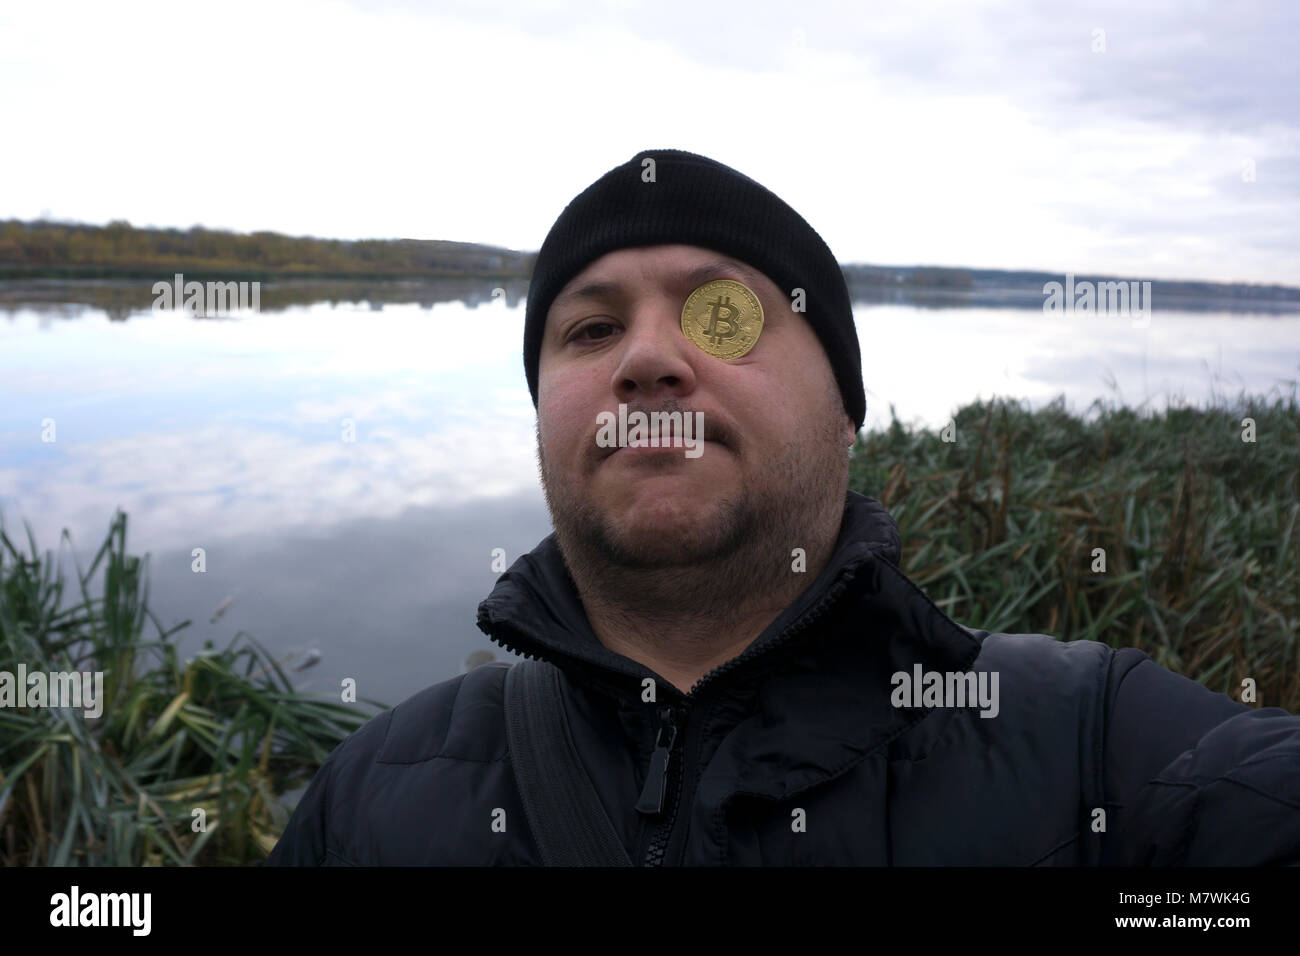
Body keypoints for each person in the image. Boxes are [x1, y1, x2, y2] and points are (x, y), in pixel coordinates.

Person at [266, 148, 1300, 866]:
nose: (647, 359)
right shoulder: (373, 792)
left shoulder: (1095, 744)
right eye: (588, 329)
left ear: (845, 413)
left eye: (724, 315)